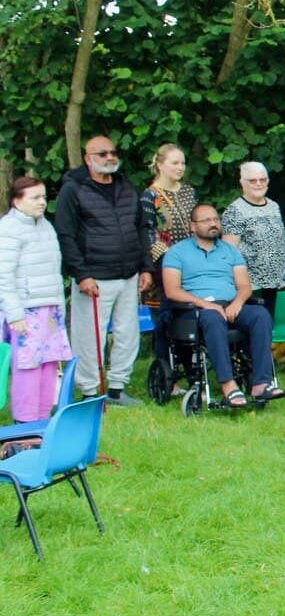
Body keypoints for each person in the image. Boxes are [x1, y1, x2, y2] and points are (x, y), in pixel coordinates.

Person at [54, 135, 153, 405]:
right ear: (88, 158)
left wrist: (146, 267)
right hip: (94, 276)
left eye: (112, 152)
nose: (110, 157)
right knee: (88, 337)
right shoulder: (73, 189)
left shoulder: (125, 186)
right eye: (102, 153)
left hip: (129, 273)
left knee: (127, 333)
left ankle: (117, 390)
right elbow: (65, 235)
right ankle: (89, 392)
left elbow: (140, 228)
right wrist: (81, 274)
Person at [161, 204, 285, 406]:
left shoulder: (230, 251)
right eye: (206, 220)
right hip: (195, 310)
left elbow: (244, 285)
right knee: (213, 318)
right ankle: (229, 386)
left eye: (215, 220)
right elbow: (172, 290)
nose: (213, 224)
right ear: (192, 226)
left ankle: (261, 384)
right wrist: (205, 304)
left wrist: (237, 303)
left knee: (260, 315)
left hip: (229, 304)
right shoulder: (176, 253)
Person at [0, 177, 72, 422]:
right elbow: (3, 275)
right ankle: (25, 422)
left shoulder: (44, 225)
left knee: (49, 364)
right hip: (25, 310)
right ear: (17, 201)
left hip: (49, 308)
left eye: (43, 197)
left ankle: (43, 421)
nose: (42, 202)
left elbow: (54, 271)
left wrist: (59, 306)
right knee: (27, 368)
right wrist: (15, 314)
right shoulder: (8, 229)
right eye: (35, 198)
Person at [220, 161, 285, 317]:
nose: (258, 184)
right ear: (242, 183)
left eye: (262, 180)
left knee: (268, 325)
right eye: (252, 180)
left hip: (273, 281)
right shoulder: (234, 211)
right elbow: (228, 252)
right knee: (254, 326)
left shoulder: (274, 206)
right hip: (249, 284)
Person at [141, 143, 199, 295]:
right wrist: (168, 256)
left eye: (183, 163)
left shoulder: (189, 191)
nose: (180, 167)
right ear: (160, 165)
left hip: (195, 258)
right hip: (165, 262)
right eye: (175, 163)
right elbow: (147, 233)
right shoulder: (150, 195)